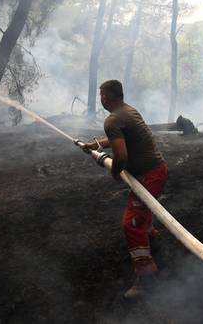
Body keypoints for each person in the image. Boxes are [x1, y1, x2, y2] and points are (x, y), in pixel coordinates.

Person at [77, 80, 168, 299]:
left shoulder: (113, 119)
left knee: (130, 224)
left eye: (101, 95)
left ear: (106, 97)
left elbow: (122, 156)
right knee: (141, 213)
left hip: (149, 177)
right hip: (157, 170)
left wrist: (115, 172)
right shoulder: (128, 111)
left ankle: (147, 279)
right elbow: (120, 139)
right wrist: (95, 146)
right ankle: (154, 239)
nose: (101, 99)